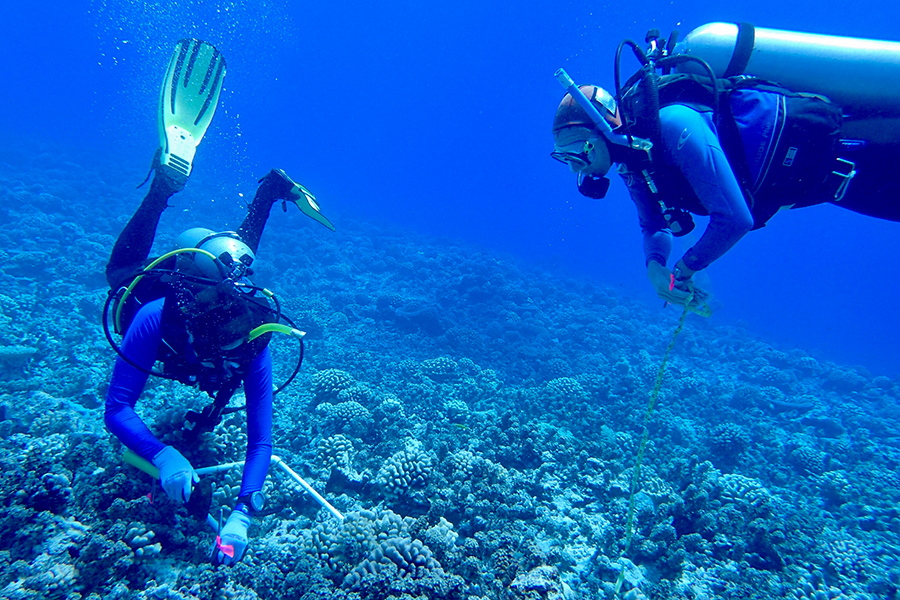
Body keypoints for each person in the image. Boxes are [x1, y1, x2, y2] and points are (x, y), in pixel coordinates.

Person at [104, 38, 333, 567]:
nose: (228, 352)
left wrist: (242, 513)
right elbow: (117, 409)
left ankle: (267, 192)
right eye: (221, 343)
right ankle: (164, 188)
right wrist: (163, 457)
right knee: (120, 277)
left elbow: (260, 443)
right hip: (188, 276)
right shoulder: (155, 316)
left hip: (225, 273)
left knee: (235, 264)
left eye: (236, 342)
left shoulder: (254, 338)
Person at [550, 67, 900, 313]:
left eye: (579, 148)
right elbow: (653, 227)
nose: (574, 165)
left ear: (604, 127)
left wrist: (685, 270)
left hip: (859, 152)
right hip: (835, 185)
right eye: (562, 156)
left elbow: (735, 219)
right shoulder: (633, 161)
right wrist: (656, 267)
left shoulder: (674, 126)